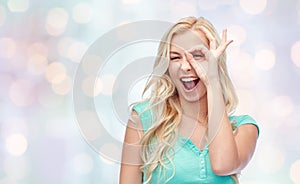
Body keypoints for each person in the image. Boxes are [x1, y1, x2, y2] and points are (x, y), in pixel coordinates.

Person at [119, 16, 259, 184]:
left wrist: (212, 81)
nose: (185, 66)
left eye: (197, 56)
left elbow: (223, 165)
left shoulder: (244, 127)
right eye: (175, 57)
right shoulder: (144, 119)